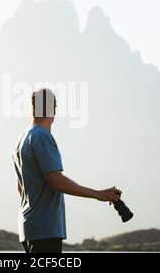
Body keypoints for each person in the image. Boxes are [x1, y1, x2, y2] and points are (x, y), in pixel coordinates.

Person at [12, 88, 121, 253]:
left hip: (29, 228)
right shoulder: (42, 137)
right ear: (52, 110)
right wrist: (99, 194)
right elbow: (56, 181)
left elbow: (20, 188)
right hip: (46, 231)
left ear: (32, 108)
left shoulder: (22, 139)